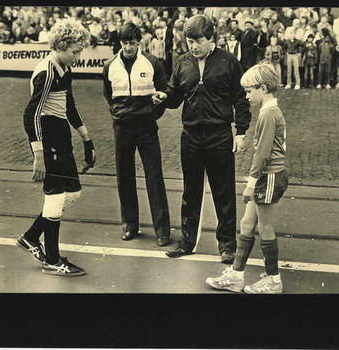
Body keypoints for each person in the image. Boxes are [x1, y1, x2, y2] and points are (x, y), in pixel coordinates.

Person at [152, 15, 251, 263]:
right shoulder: (183, 63)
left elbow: (240, 99)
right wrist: (164, 97)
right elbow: (175, 95)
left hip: (219, 136)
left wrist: (240, 132)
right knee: (190, 192)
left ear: (211, 39)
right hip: (191, 137)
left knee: (224, 193)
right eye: (189, 41)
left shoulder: (229, 62)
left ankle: (227, 246)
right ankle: (187, 242)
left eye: (198, 41)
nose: (193, 46)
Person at [18, 18, 96, 276]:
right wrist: (38, 155)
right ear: (61, 46)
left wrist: (87, 140)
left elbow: (69, 105)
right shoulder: (47, 72)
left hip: (61, 138)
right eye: (75, 51)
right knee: (54, 196)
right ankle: (51, 259)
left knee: (72, 193)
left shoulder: (64, 69)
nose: (78, 56)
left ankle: (31, 237)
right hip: (48, 140)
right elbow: (31, 115)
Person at [205, 60, 288, 294]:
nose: (247, 97)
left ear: (263, 88)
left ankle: (273, 279)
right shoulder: (269, 110)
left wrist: (251, 185)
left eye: (249, 91)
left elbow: (262, 154)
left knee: (266, 228)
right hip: (267, 175)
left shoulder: (268, 114)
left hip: (268, 175)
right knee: (246, 224)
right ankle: (237, 274)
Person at [102, 22, 171, 246]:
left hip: (146, 128)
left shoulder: (152, 63)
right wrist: (117, 114)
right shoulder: (110, 65)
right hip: (122, 128)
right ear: (119, 43)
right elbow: (108, 94)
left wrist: (153, 113)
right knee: (125, 176)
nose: (128, 47)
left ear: (139, 42)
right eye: (125, 43)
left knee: (154, 176)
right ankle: (129, 225)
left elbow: (164, 92)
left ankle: (162, 231)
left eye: (132, 42)